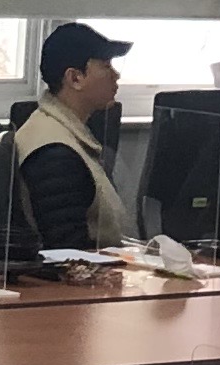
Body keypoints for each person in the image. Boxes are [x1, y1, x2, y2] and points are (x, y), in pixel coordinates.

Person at [11, 21, 131, 250]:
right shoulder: (54, 152)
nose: (116, 75)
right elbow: (68, 253)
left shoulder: (63, 132)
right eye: (106, 66)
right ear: (75, 78)